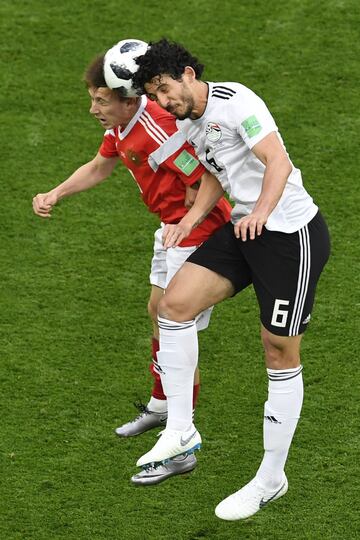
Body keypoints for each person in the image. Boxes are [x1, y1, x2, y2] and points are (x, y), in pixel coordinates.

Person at [130, 38, 330, 518]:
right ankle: (180, 429)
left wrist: (261, 212)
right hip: (243, 228)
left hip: (289, 235)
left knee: (278, 350)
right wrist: (191, 218)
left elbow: (277, 161)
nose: (163, 102)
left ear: (188, 74)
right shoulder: (189, 121)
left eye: (164, 89)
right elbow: (216, 173)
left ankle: (270, 478)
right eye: (154, 96)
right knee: (174, 306)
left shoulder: (237, 101)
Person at [32, 50, 232, 486]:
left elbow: (204, 182)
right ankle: (163, 405)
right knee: (155, 312)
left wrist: (187, 224)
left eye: (102, 100)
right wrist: (56, 193)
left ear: (128, 98)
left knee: (177, 329)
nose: (93, 109)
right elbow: (101, 166)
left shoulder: (160, 130)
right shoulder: (124, 126)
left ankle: (182, 432)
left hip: (194, 233)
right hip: (170, 229)